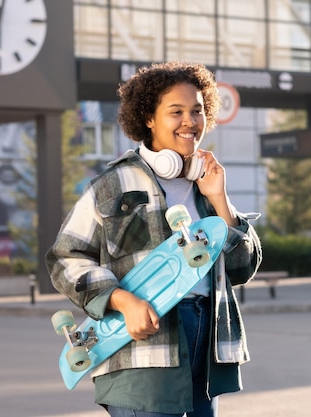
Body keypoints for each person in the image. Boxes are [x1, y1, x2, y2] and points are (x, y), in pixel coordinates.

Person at [46, 61, 262, 417]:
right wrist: (121, 300)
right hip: (143, 344)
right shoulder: (113, 184)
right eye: (175, 111)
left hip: (206, 341)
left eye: (197, 110)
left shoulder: (206, 186)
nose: (190, 121)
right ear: (148, 117)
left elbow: (241, 268)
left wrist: (221, 200)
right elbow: (65, 257)